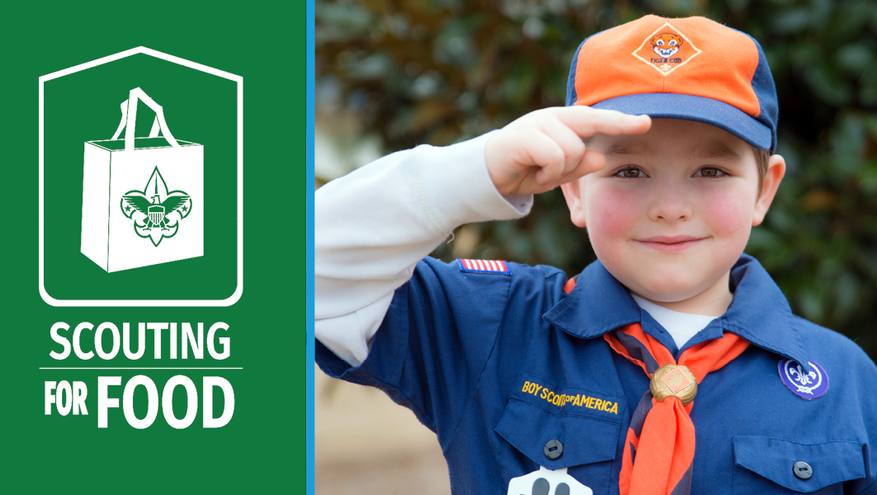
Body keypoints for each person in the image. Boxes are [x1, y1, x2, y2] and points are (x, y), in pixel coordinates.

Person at [315, 14, 877, 495]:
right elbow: (291, 267)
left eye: (711, 170)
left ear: (763, 190)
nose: (671, 207)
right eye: (629, 170)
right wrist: (477, 169)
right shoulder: (493, 326)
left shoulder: (848, 381)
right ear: (575, 191)